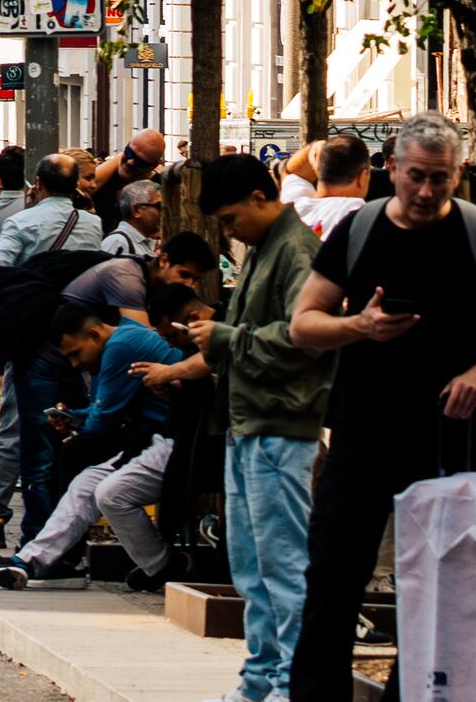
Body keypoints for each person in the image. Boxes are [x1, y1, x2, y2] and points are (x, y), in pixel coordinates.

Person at [285, 117, 476, 702]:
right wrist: (359, 325)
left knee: (443, 578)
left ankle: (419, 692)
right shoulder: (359, 229)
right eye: (415, 176)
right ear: (390, 169)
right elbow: (303, 324)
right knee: (335, 571)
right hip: (362, 426)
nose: (425, 191)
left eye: (439, 179)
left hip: (447, 431)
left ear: (457, 175)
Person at [0, 277, 212, 588]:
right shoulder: (116, 345)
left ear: (94, 334)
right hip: (157, 438)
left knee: (101, 483)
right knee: (86, 484)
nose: (74, 365)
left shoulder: (121, 346)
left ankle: (162, 565)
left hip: (178, 439)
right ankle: (30, 561)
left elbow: (102, 423)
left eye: (75, 354)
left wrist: (81, 421)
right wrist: (74, 417)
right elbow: (102, 413)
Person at [195, 151, 324, 702]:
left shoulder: (296, 250)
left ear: (258, 196)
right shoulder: (266, 248)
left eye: (230, 220)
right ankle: (261, 676)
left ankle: (287, 681)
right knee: (250, 564)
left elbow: (305, 338)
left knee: (281, 564)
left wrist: (226, 339)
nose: (230, 232)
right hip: (251, 422)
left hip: (280, 424)